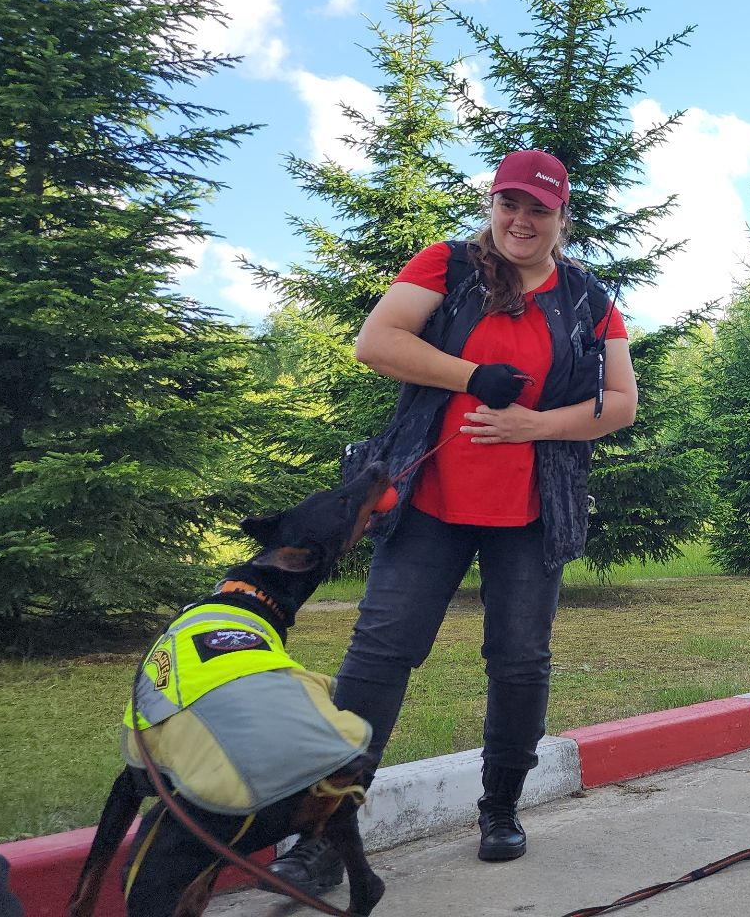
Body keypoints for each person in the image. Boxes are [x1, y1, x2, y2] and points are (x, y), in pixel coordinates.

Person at [268, 149, 636, 892]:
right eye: (509, 204)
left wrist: (537, 425)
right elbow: (377, 342)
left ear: (563, 217)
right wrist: (471, 376)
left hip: (532, 513)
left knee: (520, 660)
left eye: (538, 208)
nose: (521, 220)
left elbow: (621, 403)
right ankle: (320, 832)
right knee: (379, 656)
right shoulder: (449, 266)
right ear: (493, 206)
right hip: (429, 502)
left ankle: (500, 808)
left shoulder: (589, 298)